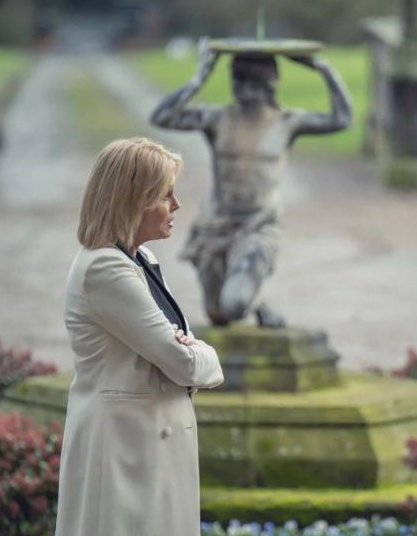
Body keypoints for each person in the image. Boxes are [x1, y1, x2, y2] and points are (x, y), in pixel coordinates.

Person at [52, 137, 225, 536]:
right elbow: (182, 358)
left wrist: (190, 353)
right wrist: (199, 356)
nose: (176, 206)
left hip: (146, 463)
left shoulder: (140, 260)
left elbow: (179, 350)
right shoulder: (106, 270)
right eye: (165, 195)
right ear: (132, 199)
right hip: (124, 466)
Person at [149, 37, 353, 328]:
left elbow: (342, 119)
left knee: (234, 305)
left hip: (258, 225)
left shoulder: (287, 122)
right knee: (217, 314)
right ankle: (259, 304)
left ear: (270, 82)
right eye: (238, 78)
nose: (243, 86)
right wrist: (199, 78)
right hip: (215, 227)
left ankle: (252, 299)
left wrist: (323, 69)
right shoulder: (218, 118)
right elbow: (162, 117)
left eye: (252, 79)